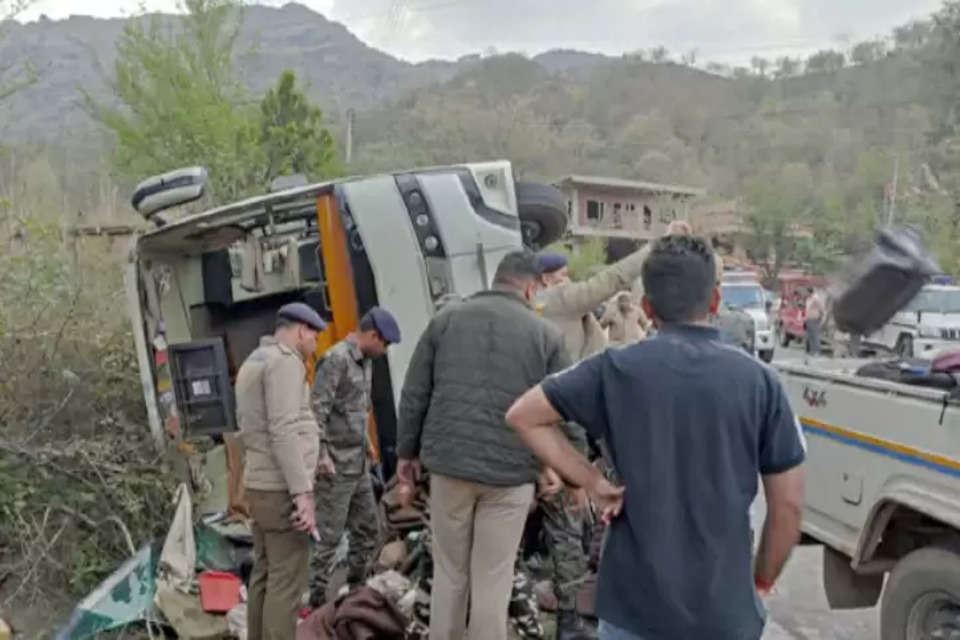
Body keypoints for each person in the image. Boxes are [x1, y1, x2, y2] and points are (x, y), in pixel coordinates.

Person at [506, 235, 807, 640]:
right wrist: (759, 583)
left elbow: (523, 415)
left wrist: (592, 481)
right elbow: (787, 508)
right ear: (715, 301)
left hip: (634, 609)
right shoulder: (761, 383)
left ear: (647, 306)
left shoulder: (613, 369)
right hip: (723, 613)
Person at [396, 250, 584, 640]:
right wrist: (573, 474)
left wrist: (406, 455)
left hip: (449, 469)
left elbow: (415, 393)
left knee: (450, 575)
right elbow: (565, 409)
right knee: (492, 581)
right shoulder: (545, 335)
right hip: (509, 476)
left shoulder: (446, 321)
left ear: (497, 280)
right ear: (532, 287)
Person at [236, 302, 326, 640]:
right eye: (315, 337)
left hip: (258, 484)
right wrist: (302, 494)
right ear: (302, 330)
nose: (315, 345)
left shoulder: (254, 360)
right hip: (280, 489)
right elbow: (284, 429)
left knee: (264, 573)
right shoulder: (286, 363)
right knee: (286, 583)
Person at [308, 307, 402, 607]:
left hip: (358, 464)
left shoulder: (366, 362)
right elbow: (317, 412)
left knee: (368, 531)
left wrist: (367, 444)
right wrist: (322, 456)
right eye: (384, 344)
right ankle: (317, 604)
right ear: (372, 336)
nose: (385, 351)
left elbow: (356, 409)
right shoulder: (336, 360)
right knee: (328, 540)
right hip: (334, 467)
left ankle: (355, 593)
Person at [805, 288, 825, 356]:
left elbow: (821, 308)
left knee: (815, 335)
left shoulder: (815, 299)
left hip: (814, 318)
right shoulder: (808, 299)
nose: (806, 293)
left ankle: (817, 351)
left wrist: (821, 316)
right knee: (810, 335)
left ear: (810, 292)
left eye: (807, 292)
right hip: (808, 318)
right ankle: (812, 350)